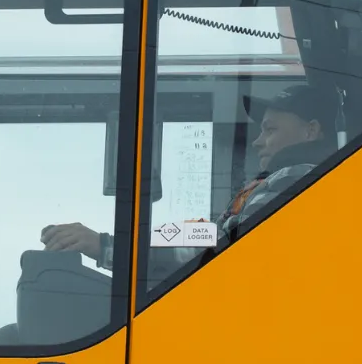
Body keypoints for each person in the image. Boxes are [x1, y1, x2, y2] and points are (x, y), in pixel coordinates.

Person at [40, 83, 339, 270]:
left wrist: (107, 246)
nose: (257, 141)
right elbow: (209, 233)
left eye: (270, 130)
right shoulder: (275, 183)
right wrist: (112, 241)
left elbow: (221, 247)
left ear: (310, 131)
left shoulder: (300, 180)